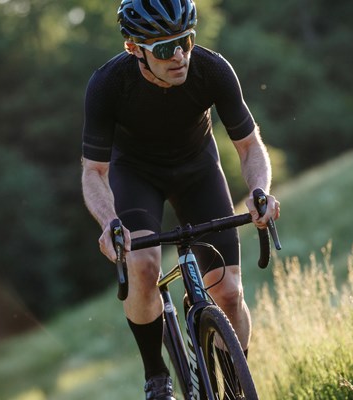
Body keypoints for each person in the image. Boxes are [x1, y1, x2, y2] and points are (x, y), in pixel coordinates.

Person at [81, 0, 280, 398]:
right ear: (134, 49)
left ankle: (234, 387)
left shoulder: (212, 69)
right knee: (142, 265)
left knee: (228, 293)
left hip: (197, 172)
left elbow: (248, 146)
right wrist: (109, 222)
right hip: (135, 175)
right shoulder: (107, 84)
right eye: (163, 49)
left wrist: (260, 191)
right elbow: (94, 173)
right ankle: (157, 377)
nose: (179, 56)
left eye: (186, 41)